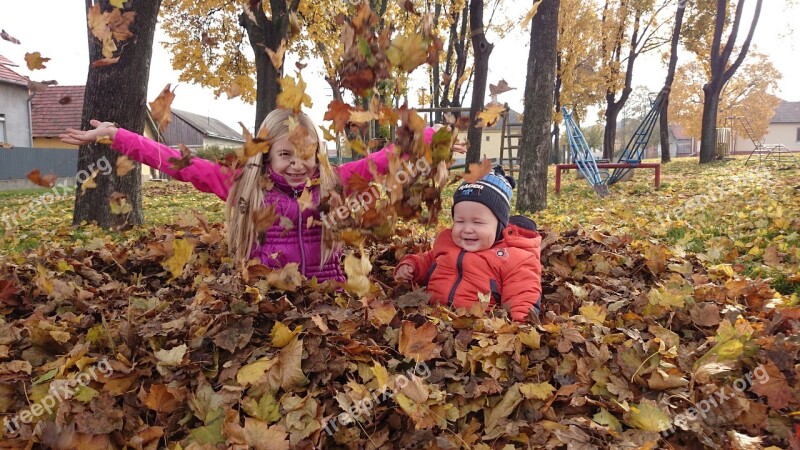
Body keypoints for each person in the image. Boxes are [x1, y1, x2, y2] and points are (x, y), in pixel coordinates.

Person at [60, 109, 445, 283]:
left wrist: (433, 139)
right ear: (266, 154)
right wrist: (118, 136)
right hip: (267, 296)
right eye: (286, 155)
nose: (297, 164)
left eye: (306, 154)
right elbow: (179, 162)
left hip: (328, 296)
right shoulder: (243, 184)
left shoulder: (333, 183)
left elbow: (383, 161)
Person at [393, 167, 542, 321]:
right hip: (434, 318)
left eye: (478, 222)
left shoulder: (512, 257)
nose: (467, 229)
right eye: (460, 221)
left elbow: (523, 293)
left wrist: (521, 324)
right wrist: (411, 266)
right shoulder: (447, 243)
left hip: (479, 328)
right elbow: (429, 260)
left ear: (500, 225)